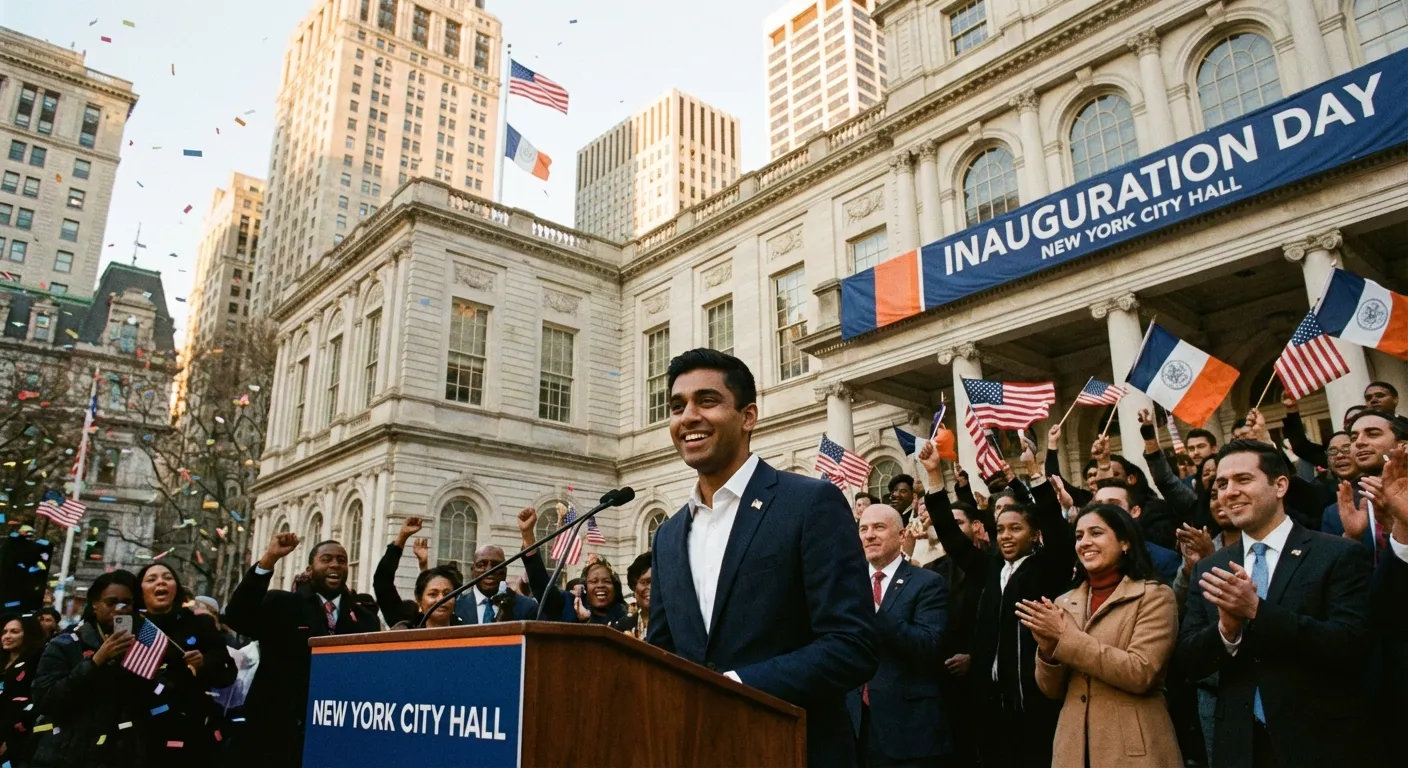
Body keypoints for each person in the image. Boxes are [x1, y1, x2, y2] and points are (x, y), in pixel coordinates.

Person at [647, 349, 877, 767]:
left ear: (748, 416)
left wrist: (736, 685)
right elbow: (663, 654)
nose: (689, 417)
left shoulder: (810, 503)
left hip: (795, 749)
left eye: (707, 401)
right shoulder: (667, 535)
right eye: (677, 407)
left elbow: (852, 645)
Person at [1175, 440, 1373, 767]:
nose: (1229, 492)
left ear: (1280, 485)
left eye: (1243, 479)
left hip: (1321, 743)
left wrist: (1257, 611)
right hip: (1240, 748)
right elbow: (1188, 661)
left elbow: (1350, 645)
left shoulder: (1336, 554)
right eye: (1221, 484)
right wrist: (1226, 631)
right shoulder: (1209, 568)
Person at [918, 440, 1073, 768]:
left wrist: (1034, 473)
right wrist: (934, 477)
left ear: (1034, 535)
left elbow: (1058, 532)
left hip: (1032, 701)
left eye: (1016, 529)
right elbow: (951, 537)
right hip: (988, 702)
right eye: (1000, 529)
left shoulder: (1047, 569)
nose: (1005, 536)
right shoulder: (990, 567)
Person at [1024, 503, 1182, 767]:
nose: (1085, 542)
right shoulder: (1063, 602)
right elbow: (1051, 690)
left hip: (1134, 749)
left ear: (1125, 542)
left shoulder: (1154, 596)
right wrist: (1048, 651)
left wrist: (1065, 638)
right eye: (1079, 536)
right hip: (1073, 749)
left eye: (1096, 533)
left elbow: (1141, 673)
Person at [224, 532, 380, 767]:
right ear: (310, 569)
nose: (335, 565)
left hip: (335, 735)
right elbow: (237, 617)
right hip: (276, 735)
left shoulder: (365, 619)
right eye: (326, 559)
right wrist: (269, 559)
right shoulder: (281, 604)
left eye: (341, 560)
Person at [846, 504, 950, 767]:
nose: (869, 535)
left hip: (908, 730)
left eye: (879, 527)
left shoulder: (927, 582)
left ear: (902, 535)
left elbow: (928, 645)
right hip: (853, 725)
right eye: (863, 529)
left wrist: (875, 611)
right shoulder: (846, 585)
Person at [30, 570, 155, 767]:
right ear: (95, 604)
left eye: (126, 603)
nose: (120, 609)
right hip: (67, 754)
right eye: (111, 602)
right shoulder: (65, 644)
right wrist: (96, 661)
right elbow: (45, 700)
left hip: (118, 755)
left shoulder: (142, 646)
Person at [132, 563, 238, 760]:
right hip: (141, 733)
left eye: (167, 577)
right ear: (141, 590)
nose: (160, 582)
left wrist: (204, 662)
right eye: (151, 579)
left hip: (191, 730)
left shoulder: (200, 624)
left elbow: (228, 673)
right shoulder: (132, 627)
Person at [921, 500, 984, 767]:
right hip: (943, 680)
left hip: (983, 682)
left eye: (958, 523)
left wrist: (974, 657)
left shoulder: (992, 566)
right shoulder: (930, 572)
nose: (951, 530)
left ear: (976, 526)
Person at [516, 509, 629, 625]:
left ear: (615, 587)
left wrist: (588, 618)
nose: (600, 585)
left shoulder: (626, 614)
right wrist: (527, 535)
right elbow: (541, 586)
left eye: (607, 581)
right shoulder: (568, 604)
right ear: (585, 587)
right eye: (594, 581)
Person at [1324, 411, 1408, 562]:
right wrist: (1352, 538)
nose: (1359, 442)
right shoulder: (1336, 513)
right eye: (1353, 438)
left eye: (1373, 434)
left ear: (1402, 445)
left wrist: (1396, 527)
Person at [373, 516, 466, 628]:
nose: (441, 599)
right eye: (433, 594)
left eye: (447, 594)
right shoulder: (408, 626)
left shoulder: (467, 628)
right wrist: (402, 538)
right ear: (419, 600)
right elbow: (382, 582)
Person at [1091, 479, 1183, 583]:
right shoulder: (1087, 555)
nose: (1104, 510)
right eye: (1098, 505)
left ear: (1135, 511)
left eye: (1113, 505)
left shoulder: (1164, 559)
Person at [0, 613, 45, 764]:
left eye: (14, 631)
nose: (7, 636)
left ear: (28, 634)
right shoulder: (2, 661)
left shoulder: (37, 660)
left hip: (19, 735)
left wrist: (11, 739)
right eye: (4, 632)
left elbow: (36, 700)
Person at [457, 541, 538, 624]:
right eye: (481, 565)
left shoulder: (528, 607)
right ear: (472, 571)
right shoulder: (455, 607)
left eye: (496, 565)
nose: (489, 570)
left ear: (505, 571)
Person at [611, 552, 653, 639]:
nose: (651, 588)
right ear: (634, 586)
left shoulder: (675, 624)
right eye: (645, 582)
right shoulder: (622, 627)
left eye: (657, 582)